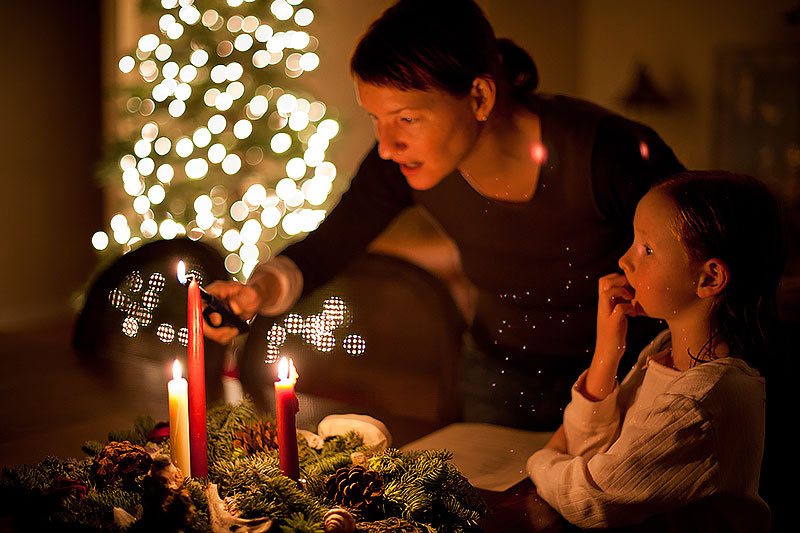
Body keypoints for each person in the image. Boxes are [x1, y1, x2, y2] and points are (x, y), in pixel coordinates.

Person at [205, 0, 684, 430]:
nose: (388, 146)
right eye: (377, 119)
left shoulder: (608, 155)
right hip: (498, 376)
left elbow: (706, 258)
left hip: (631, 374)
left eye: (407, 118)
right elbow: (330, 245)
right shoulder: (401, 166)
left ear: (479, 97)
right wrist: (256, 292)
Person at [526, 171, 783, 531]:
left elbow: (589, 499)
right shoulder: (665, 352)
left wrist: (540, 460)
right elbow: (587, 455)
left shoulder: (699, 404)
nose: (624, 261)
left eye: (647, 249)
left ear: (709, 279)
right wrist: (606, 354)